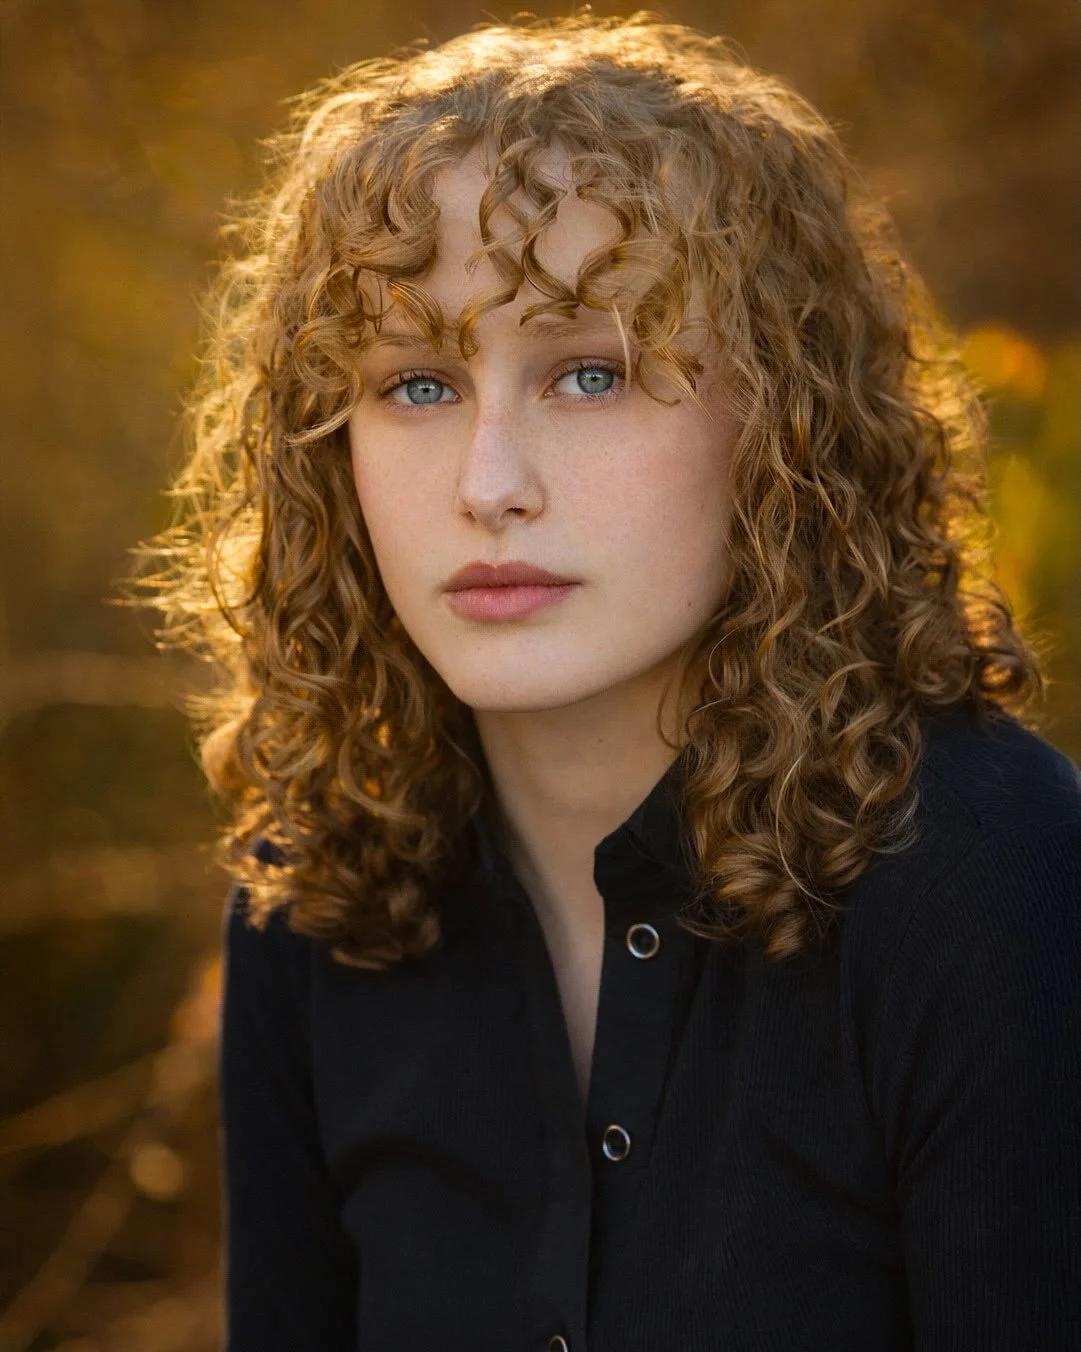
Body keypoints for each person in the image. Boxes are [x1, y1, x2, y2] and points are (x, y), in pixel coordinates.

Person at [138, 13, 1081, 1350]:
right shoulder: (319, 890)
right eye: (415, 384)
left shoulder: (991, 874)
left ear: (783, 418)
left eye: (589, 373)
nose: (488, 485)